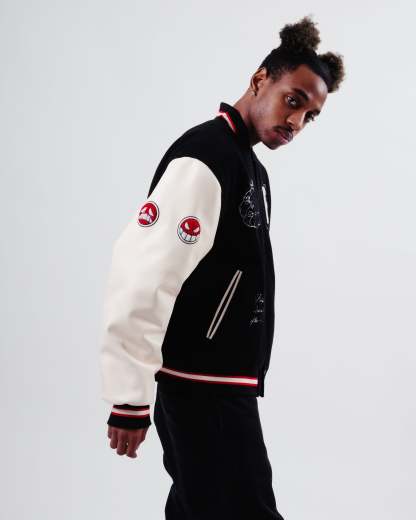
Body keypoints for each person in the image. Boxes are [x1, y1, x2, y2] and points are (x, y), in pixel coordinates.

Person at [99, 14, 345, 520]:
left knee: (199, 510)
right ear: (260, 79)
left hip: (221, 384)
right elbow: (144, 274)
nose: (297, 121)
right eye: (293, 100)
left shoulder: (248, 167)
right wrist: (128, 396)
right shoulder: (205, 158)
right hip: (199, 386)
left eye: (310, 115)